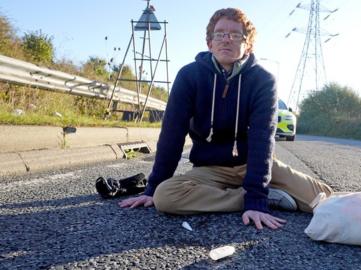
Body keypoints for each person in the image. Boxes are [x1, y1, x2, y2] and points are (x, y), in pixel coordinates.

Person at [119, 7, 333, 230]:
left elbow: (263, 139)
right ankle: (252, 197)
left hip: (251, 163)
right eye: (220, 34)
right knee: (165, 197)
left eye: (235, 35)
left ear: (247, 44)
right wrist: (152, 188)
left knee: (324, 198)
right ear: (210, 42)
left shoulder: (263, 80)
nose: (226, 40)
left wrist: (256, 198)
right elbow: (172, 134)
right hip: (210, 169)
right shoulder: (189, 76)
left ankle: (258, 192)